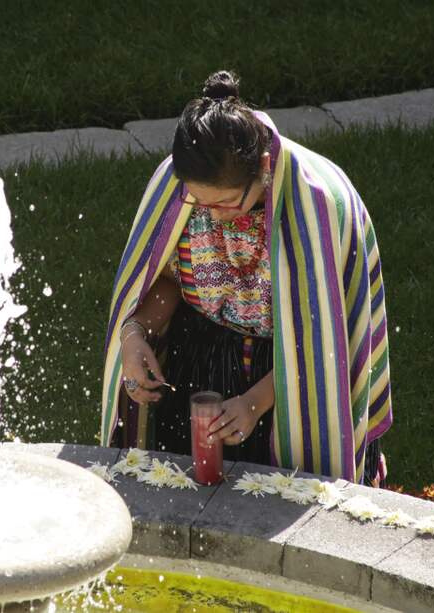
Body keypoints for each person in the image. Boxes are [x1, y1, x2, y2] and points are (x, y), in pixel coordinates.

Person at [100, 70, 392, 487]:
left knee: (283, 502)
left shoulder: (316, 205)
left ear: (264, 169)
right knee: (187, 494)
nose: (210, 214)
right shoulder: (182, 186)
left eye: (224, 204)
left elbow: (324, 340)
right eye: (198, 201)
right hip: (201, 359)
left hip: (293, 379)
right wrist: (134, 334)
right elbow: (170, 278)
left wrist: (256, 403)